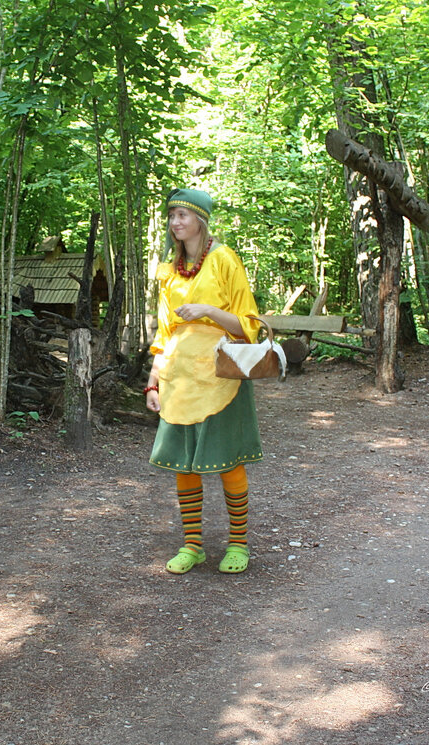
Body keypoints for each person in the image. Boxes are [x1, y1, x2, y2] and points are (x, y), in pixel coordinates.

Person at [145, 188, 263, 575]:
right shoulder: (168, 271)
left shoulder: (224, 259)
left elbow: (249, 326)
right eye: (172, 215)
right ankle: (192, 545)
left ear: (201, 219)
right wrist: (153, 380)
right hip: (179, 378)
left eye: (183, 214)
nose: (176, 221)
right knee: (184, 464)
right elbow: (164, 333)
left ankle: (239, 545)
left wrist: (209, 311)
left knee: (230, 462)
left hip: (220, 374)